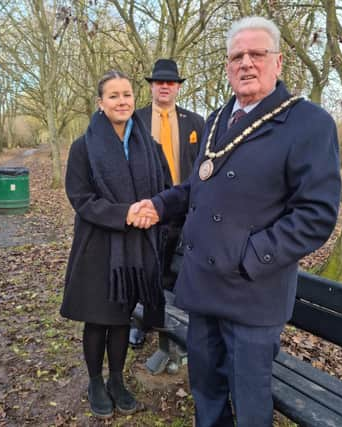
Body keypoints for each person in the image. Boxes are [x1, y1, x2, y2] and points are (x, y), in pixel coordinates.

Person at [130, 16, 342, 426]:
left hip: (252, 293)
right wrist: (159, 204)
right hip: (204, 287)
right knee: (206, 391)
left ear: (278, 62)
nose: (246, 63)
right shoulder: (216, 120)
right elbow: (195, 187)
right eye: (236, 56)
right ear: (228, 66)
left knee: (248, 403)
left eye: (256, 54)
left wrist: (251, 257)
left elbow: (316, 214)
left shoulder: (308, 123)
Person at [61, 70, 166, 419]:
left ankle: (117, 380)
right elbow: (81, 198)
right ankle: (95, 381)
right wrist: (125, 213)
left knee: (121, 318)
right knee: (97, 318)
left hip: (134, 247)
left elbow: (164, 188)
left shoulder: (150, 147)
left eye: (127, 95)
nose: (122, 101)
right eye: (114, 96)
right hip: (97, 245)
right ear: (100, 103)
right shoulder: (83, 147)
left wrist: (151, 211)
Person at [129, 59, 205, 349]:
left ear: (177, 87)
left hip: (183, 209)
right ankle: (142, 323)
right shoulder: (135, 120)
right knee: (144, 268)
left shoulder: (195, 122)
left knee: (178, 271)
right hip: (149, 206)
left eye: (170, 82)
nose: (164, 86)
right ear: (151, 86)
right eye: (159, 82)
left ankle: (173, 331)